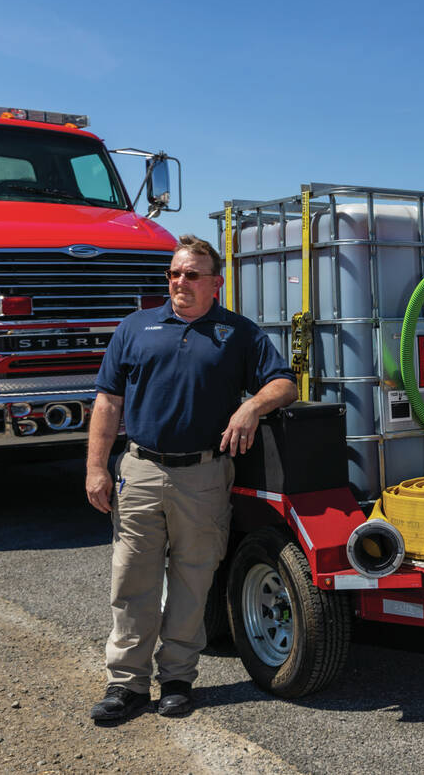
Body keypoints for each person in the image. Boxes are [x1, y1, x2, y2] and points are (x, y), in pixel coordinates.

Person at [84, 234, 297, 722]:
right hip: (138, 470)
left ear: (215, 284)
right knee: (131, 581)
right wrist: (97, 468)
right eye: (175, 273)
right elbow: (108, 402)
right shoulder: (135, 328)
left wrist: (251, 406)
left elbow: (284, 382)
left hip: (203, 475)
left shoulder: (238, 333)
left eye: (192, 274)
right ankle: (127, 686)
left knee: (192, 581)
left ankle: (178, 679)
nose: (181, 282)